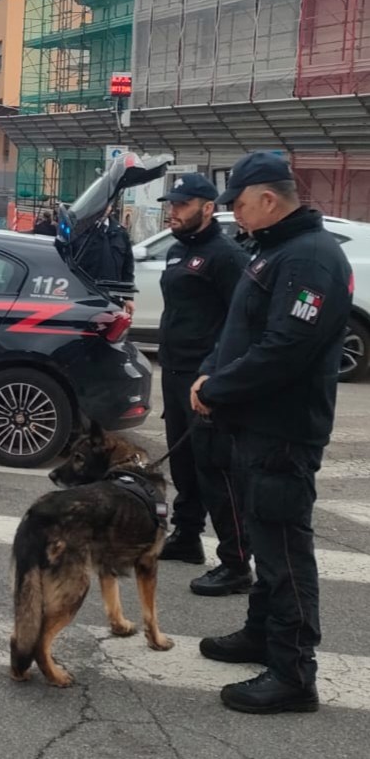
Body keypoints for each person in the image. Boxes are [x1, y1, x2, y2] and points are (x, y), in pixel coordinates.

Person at [192, 151, 353, 714]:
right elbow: (242, 329)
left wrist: (217, 387)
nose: (233, 214)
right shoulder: (276, 251)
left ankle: (293, 673)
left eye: (237, 203)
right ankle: (262, 633)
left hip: (283, 430)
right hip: (255, 425)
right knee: (266, 541)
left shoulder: (311, 259)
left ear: (266, 198)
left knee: (285, 551)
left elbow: (287, 347)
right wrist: (214, 372)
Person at [153, 174, 252, 596]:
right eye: (171, 204)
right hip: (174, 372)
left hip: (204, 378)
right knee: (184, 466)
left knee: (215, 469)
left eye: (182, 204)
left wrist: (218, 378)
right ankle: (187, 536)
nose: (172, 211)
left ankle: (235, 563)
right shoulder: (179, 251)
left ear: (207, 207)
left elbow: (242, 321)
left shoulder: (226, 256)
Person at [71, 203, 135, 314]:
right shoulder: (79, 230)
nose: (104, 208)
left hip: (112, 301)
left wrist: (128, 298)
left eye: (108, 204)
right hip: (84, 299)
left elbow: (127, 269)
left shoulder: (120, 233)